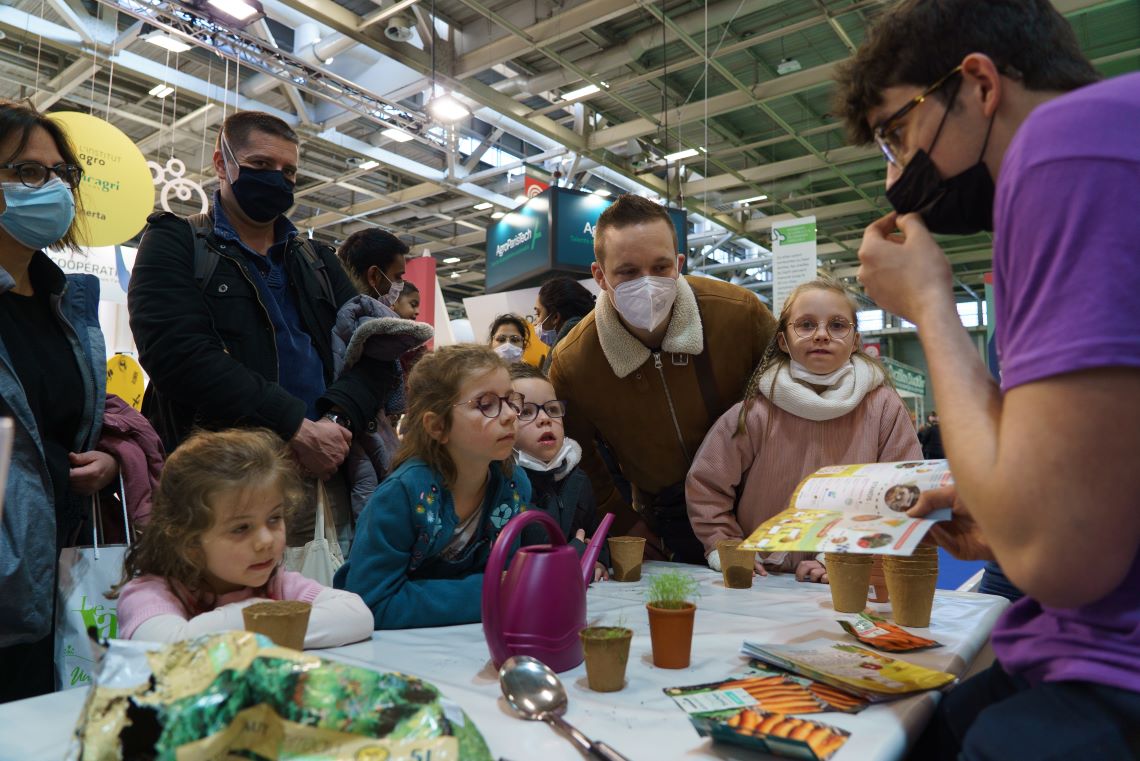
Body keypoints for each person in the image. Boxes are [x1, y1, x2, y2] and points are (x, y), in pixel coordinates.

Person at [837, 1, 1140, 757]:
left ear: (978, 83)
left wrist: (929, 305)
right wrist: (1000, 512)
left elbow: (1057, 556)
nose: (893, 177)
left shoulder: (1061, 147)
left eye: (898, 132)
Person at [128, 111, 397, 545]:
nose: (278, 179)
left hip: (325, 470)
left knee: (324, 601)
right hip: (222, 478)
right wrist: (294, 425)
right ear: (222, 163)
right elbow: (175, 354)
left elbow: (376, 352)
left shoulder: (320, 261)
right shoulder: (174, 241)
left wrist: (334, 420)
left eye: (288, 171)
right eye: (260, 166)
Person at [549, 194, 776, 563]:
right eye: (627, 272)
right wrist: (624, 521)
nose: (648, 283)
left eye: (660, 267)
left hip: (762, 503)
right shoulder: (574, 361)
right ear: (599, 276)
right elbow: (575, 455)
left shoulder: (738, 314)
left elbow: (791, 400)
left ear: (679, 263)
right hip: (666, 522)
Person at [0, 100, 120, 702]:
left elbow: (64, 426)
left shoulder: (67, 302)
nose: (49, 188)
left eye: (58, 174)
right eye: (25, 172)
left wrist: (103, 460)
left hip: (56, 572)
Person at [686, 277, 920, 580]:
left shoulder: (883, 408)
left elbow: (902, 493)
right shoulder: (756, 412)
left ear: (855, 342)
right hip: (763, 581)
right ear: (783, 341)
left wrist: (839, 556)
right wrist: (725, 545)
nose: (822, 335)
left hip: (849, 578)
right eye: (806, 325)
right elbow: (707, 485)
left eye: (837, 325)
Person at [113, 429, 372, 648]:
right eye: (241, 528)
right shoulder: (150, 594)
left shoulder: (276, 583)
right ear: (189, 542)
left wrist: (256, 626)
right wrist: (262, 619)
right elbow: (172, 649)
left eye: (274, 519)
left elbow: (356, 615)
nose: (265, 541)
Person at [335, 345, 531, 628]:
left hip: (471, 642)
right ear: (438, 426)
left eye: (511, 400)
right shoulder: (402, 494)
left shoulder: (514, 485)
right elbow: (371, 602)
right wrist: (491, 592)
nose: (511, 415)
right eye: (486, 404)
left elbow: (508, 576)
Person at [509, 363, 607, 581]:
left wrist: (599, 559)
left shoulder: (578, 477)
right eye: (526, 411)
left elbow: (595, 535)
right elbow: (529, 551)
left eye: (552, 409)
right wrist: (575, 552)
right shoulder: (507, 483)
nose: (545, 419)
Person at [532, 276, 596, 371]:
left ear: (555, 317)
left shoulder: (564, 358)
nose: (534, 323)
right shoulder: (593, 342)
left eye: (538, 314)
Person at [336, 227, 408, 309]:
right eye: (398, 276)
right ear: (373, 276)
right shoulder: (359, 318)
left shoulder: (334, 304)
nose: (401, 286)